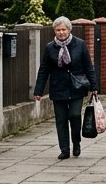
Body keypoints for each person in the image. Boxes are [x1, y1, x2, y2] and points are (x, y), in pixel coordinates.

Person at [34, 16, 97, 159]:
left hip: (77, 87)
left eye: (63, 29)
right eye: (58, 30)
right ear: (54, 31)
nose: (61, 32)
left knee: (74, 115)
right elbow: (44, 70)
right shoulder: (50, 47)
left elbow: (88, 66)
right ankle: (64, 149)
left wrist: (94, 86)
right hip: (58, 88)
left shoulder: (80, 44)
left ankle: (76, 143)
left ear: (69, 30)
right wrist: (38, 90)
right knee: (61, 120)